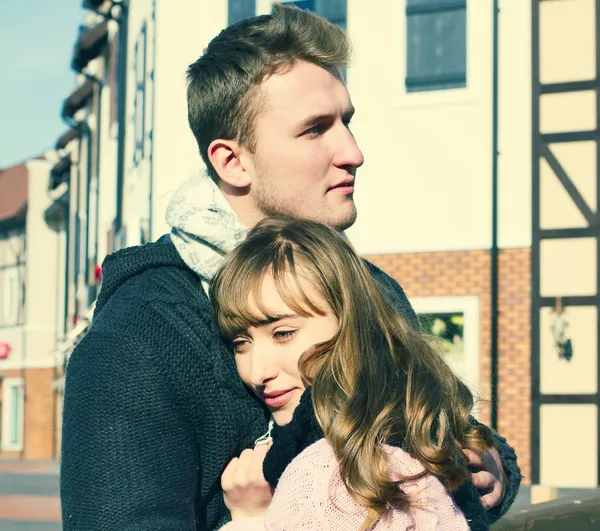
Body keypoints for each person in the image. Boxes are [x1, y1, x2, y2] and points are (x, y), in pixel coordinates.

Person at [60, 5, 520, 531]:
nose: (353, 151)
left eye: (347, 121)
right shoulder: (143, 332)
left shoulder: (366, 289)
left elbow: (444, 427)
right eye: (315, 129)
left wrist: (489, 468)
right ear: (232, 161)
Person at [211, 217, 510, 531]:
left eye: (283, 333)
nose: (257, 372)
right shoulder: (414, 425)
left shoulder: (329, 473)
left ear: (348, 321)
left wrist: (251, 519)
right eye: (240, 343)